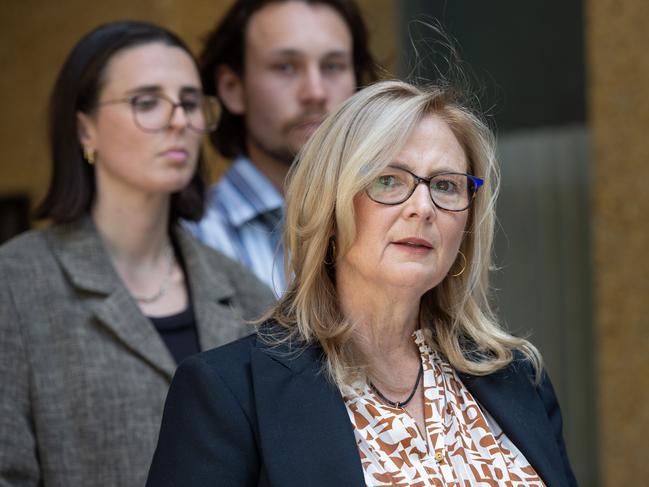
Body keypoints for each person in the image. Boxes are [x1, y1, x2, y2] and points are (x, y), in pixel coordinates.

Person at [146, 80, 578, 486]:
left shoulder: (519, 377)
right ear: (329, 209)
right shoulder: (228, 394)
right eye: (389, 180)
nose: (423, 207)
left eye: (446, 186)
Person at [0, 21, 274, 487]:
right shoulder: (16, 282)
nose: (178, 120)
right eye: (146, 102)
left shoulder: (245, 291)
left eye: (189, 102)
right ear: (84, 129)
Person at [187, 0, 378, 295]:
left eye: (332, 66)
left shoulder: (400, 213)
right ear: (232, 88)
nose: (315, 92)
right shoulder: (190, 238)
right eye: (286, 67)